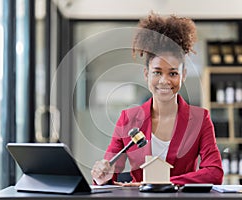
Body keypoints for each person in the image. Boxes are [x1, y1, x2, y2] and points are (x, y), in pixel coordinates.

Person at [91, 12, 223, 186]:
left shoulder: (200, 119)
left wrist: (164, 182)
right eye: (157, 72)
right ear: (146, 74)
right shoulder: (128, 119)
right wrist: (102, 173)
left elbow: (214, 173)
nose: (164, 81)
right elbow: (111, 173)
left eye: (173, 73)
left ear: (183, 76)